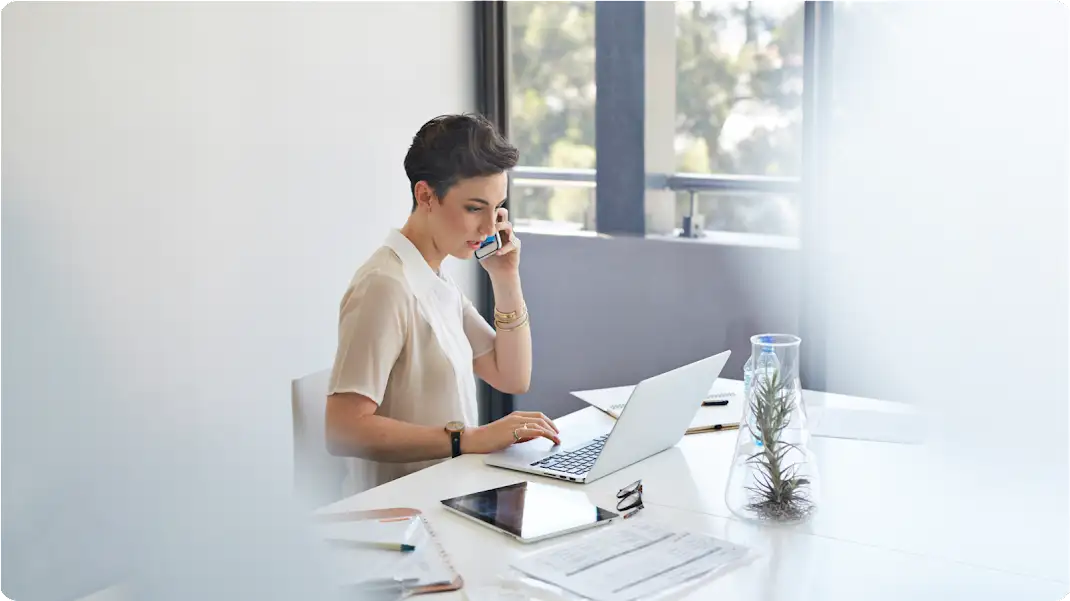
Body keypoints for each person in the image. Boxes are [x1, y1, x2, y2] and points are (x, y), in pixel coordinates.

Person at [325, 113, 560, 492]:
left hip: (451, 496)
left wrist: (505, 277)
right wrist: (466, 439)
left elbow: (511, 375)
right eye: (473, 208)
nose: (489, 228)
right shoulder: (384, 286)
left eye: (496, 208)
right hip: (404, 517)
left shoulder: (436, 279)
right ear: (425, 196)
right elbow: (342, 430)